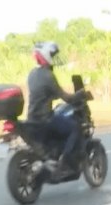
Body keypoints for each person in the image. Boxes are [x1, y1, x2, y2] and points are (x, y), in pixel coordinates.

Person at [27, 41, 86, 170]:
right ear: (46, 55)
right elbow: (66, 97)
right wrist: (80, 94)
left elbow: (42, 94)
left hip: (32, 118)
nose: (53, 58)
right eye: (51, 55)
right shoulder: (48, 76)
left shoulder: (32, 74)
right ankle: (66, 158)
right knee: (75, 127)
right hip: (45, 119)